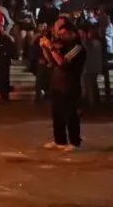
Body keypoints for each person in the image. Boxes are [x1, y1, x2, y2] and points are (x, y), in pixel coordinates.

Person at [41, 19, 85, 151]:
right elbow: (51, 61)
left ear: (70, 32)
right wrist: (45, 47)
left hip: (69, 85)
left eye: (62, 33)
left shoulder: (77, 47)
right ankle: (59, 140)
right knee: (57, 114)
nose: (60, 36)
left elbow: (63, 63)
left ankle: (75, 142)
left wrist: (51, 47)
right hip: (57, 84)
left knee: (71, 114)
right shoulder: (62, 45)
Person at [80, 25, 103, 109]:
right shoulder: (98, 43)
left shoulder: (90, 43)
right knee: (93, 86)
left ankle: (91, 104)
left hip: (88, 68)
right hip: (95, 68)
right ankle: (94, 103)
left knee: (88, 87)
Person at [30, 23, 51, 103]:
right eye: (41, 26)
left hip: (49, 61)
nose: (42, 28)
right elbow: (34, 49)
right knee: (39, 80)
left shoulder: (49, 37)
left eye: (44, 26)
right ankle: (38, 97)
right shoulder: (37, 38)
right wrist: (39, 58)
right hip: (41, 61)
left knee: (47, 79)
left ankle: (47, 95)